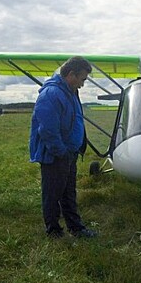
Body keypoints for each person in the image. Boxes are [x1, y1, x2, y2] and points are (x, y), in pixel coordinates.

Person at [29, 56, 98, 238]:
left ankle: (76, 228)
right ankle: (53, 230)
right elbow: (48, 131)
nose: (83, 84)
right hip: (56, 155)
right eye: (82, 79)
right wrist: (61, 152)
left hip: (69, 153)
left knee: (68, 193)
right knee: (53, 194)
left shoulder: (70, 91)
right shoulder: (51, 94)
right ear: (70, 74)